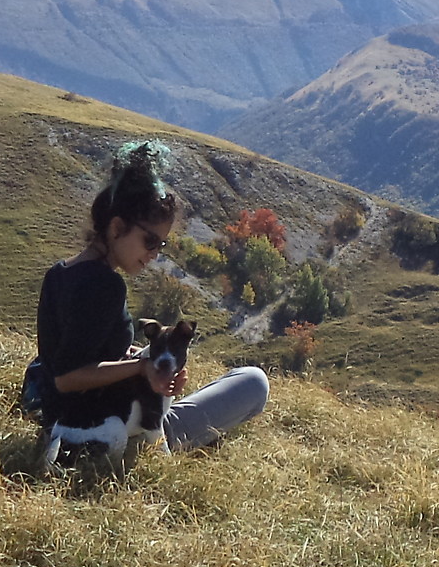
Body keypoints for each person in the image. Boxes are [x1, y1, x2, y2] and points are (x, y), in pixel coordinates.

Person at [32, 141, 269, 474]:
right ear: (116, 227)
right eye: (150, 240)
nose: (155, 253)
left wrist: (137, 358)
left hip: (60, 422)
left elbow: (73, 352)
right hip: (112, 425)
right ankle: (166, 438)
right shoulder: (105, 285)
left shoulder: (60, 273)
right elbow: (67, 377)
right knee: (253, 383)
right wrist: (140, 368)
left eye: (162, 243)